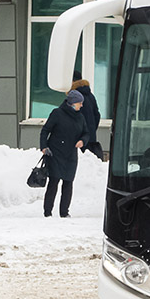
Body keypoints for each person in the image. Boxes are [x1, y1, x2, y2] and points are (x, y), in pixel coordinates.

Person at [41, 89, 88, 218]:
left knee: (68, 182)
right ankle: (47, 212)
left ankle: (64, 212)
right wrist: (44, 146)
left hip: (71, 155)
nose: (81, 105)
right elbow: (45, 130)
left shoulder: (80, 117)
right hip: (55, 153)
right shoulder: (57, 114)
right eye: (80, 103)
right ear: (72, 103)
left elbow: (86, 133)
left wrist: (82, 141)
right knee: (54, 181)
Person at [71, 69, 104, 160]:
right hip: (90, 137)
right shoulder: (90, 95)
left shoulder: (74, 97)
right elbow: (97, 115)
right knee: (90, 161)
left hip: (78, 139)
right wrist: (91, 129)